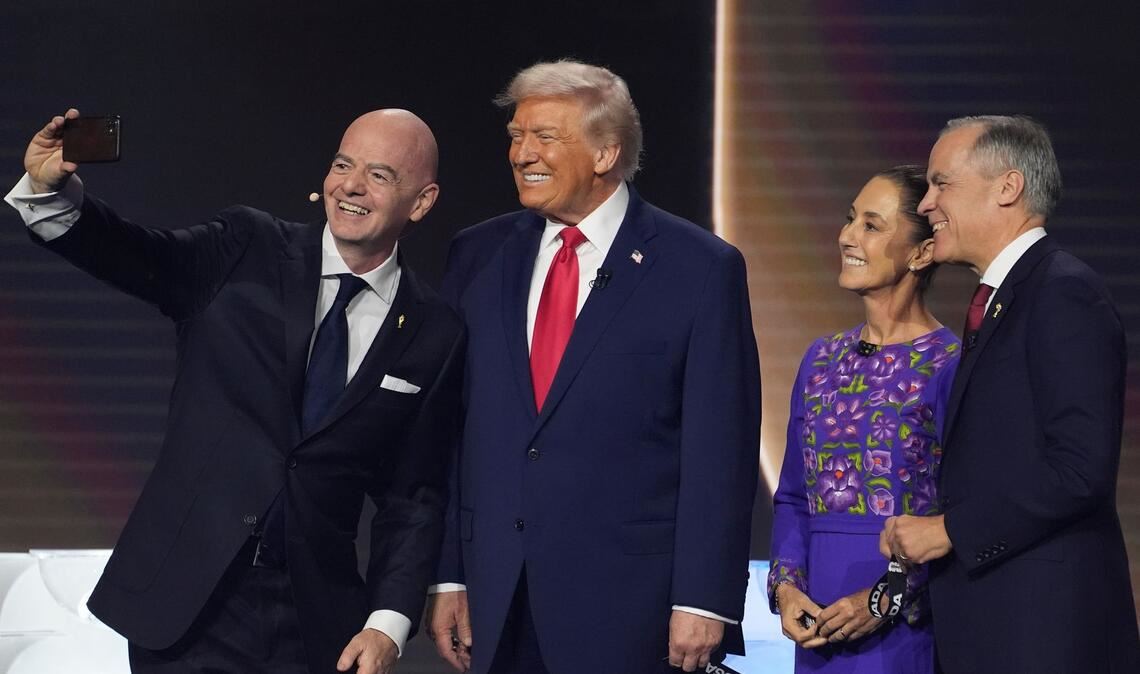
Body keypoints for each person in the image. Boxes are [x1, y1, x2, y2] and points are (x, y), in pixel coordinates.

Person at [5, 107, 464, 674]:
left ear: (421, 202)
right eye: (343, 164)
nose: (351, 185)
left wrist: (388, 622)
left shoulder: (433, 331)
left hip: (316, 623)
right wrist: (53, 196)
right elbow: (134, 255)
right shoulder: (248, 247)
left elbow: (412, 494)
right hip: (185, 607)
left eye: (379, 175)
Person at [423, 60, 761, 674]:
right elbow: (453, 431)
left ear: (606, 152)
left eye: (544, 137)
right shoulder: (477, 255)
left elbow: (721, 450)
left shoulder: (699, 268)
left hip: (631, 606)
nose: (521, 152)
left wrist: (704, 599)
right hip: (496, 595)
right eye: (515, 136)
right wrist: (448, 575)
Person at [880, 115, 1140, 673]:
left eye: (941, 183)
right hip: (996, 625)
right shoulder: (1005, 299)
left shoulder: (1063, 293)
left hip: (1043, 634)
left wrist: (949, 529)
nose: (926, 204)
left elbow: (1078, 469)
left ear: (1008, 187)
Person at [768, 166, 959, 673]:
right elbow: (792, 495)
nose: (846, 236)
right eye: (850, 219)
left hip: (907, 631)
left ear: (921, 253)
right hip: (818, 627)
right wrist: (786, 588)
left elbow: (963, 515)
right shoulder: (822, 358)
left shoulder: (950, 365)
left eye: (871, 226)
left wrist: (884, 600)